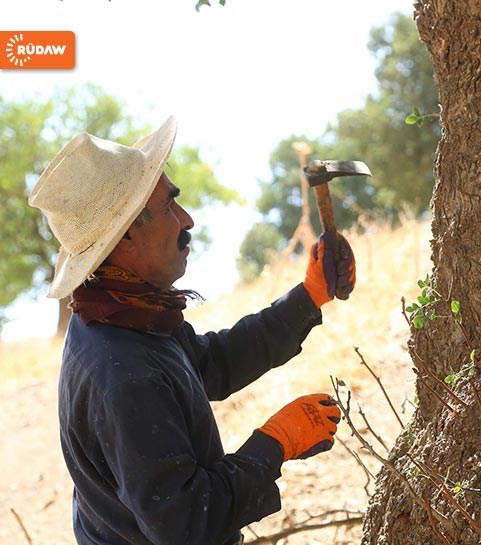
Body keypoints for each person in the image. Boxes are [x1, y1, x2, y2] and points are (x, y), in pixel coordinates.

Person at [28, 116, 354, 545]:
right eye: (170, 207)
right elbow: (187, 525)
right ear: (124, 238)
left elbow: (208, 364)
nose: (187, 220)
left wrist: (308, 297)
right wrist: (275, 443)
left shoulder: (122, 312)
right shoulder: (124, 373)